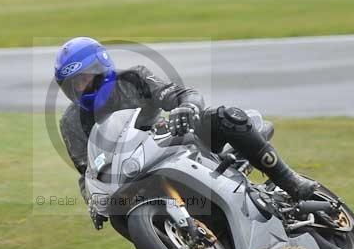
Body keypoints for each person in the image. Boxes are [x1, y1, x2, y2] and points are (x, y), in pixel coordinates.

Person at [54, 37, 316, 228]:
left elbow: (182, 94)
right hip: (132, 175)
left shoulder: (133, 79)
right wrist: (92, 199)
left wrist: (186, 107)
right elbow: (87, 172)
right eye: (73, 85)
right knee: (116, 213)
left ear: (101, 68)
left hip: (171, 141)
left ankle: (289, 180)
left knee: (226, 117)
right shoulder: (71, 123)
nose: (80, 88)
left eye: (84, 79)